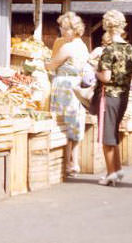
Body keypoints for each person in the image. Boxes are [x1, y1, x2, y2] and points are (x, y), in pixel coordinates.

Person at [94, 10, 132, 186]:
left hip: (109, 96)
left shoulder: (109, 49)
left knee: (107, 137)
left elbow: (106, 77)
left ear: (106, 26)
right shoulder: (129, 48)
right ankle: (117, 170)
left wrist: (94, 71)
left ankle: (111, 173)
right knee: (114, 134)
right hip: (123, 96)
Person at [47, 11, 90, 177]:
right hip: (76, 86)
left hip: (64, 87)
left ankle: (65, 163)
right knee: (75, 123)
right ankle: (75, 162)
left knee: (61, 123)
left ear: (74, 29)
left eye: (65, 28)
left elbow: (51, 65)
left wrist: (41, 62)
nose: (62, 32)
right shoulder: (83, 46)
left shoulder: (68, 47)